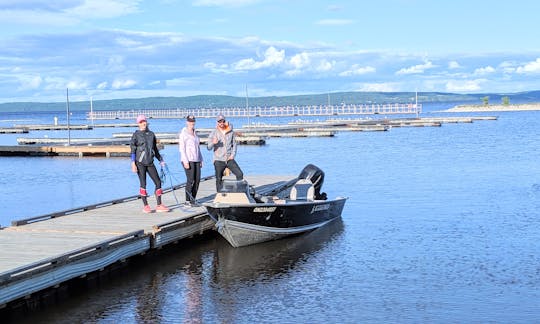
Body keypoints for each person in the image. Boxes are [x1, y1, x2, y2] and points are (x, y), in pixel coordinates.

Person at [130, 114, 170, 213]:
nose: (143, 123)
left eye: (144, 121)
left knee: (158, 182)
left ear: (146, 122)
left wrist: (160, 160)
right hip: (140, 163)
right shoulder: (136, 135)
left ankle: (159, 205)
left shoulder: (151, 134)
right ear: (138, 124)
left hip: (150, 162)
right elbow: (132, 150)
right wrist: (133, 163)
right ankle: (146, 206)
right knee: (143, 183)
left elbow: (155, 149)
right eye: (141, 122)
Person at [207, 114, 244, 191]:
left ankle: (240, 192)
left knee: (240, 174)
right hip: (218, 159)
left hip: (229, 159)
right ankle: (219, 195)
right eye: (219, 121)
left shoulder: (230, 131)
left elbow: (234, 144)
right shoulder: (214, 133)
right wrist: (213, 143)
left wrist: (233, 155)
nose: (221, 123)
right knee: (218, 179)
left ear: (225, 121)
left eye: (223, 121)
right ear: (217, 122)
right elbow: (208, 147)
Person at [179, 115, 203, 206]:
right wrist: (185, 161)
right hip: (188, 159)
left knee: (197, 180)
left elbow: (198, 147)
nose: (191, 123)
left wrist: (201, 159)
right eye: (190, 121)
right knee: (190, 180)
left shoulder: (195, 133)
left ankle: (193, 199)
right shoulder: (183, 134)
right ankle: (187, 200)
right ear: (187, 122)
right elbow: (182, 148)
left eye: (193, 121)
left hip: (196, 159)